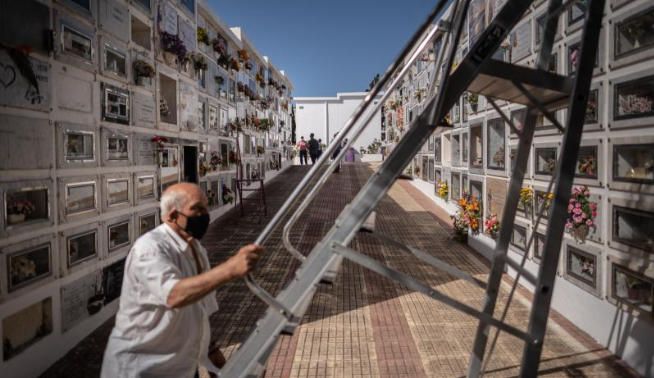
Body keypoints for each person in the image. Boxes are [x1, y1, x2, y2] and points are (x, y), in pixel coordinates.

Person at [101, 183, 263, 378]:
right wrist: (229, 269)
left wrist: (215, 359)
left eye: (205, 207)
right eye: (197, 209)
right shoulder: (150, 249)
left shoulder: (196, 248)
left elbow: (201, 310)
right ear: (171, 215)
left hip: (182, 367)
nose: (204, 215)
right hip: (141, 369)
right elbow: (174, 295)